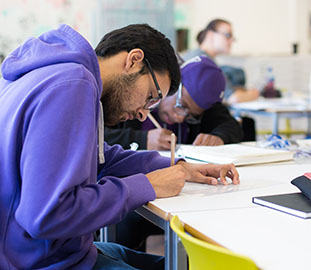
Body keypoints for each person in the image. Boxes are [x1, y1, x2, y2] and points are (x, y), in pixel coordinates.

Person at [0, 23, 240, 270]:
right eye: (150, 97)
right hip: (42, 263)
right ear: (134, 60)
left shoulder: (58, 73)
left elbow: (100, 157)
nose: (143, 115)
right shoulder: (73, 84)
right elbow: (46, 216)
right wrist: (148, 186)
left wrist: (178, 166)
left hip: (56, 254)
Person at [104, 55, 243, 150]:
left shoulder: (202, 102)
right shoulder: (130, 96)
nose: (180, 117)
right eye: (181, 106)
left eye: (191, 116)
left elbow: (231, 126)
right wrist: (141, 139)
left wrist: (218, 137)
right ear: (173, 83)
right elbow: (95, 137)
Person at [183, 18, 259, 141]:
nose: (231, 41)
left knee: (241, 125)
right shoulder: (202, 63)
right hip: (195, 126)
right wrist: (253, 93)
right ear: (210, 35)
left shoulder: (205, 60)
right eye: (227, 35)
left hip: (205, 122)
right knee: (246, 125)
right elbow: (233, 97)